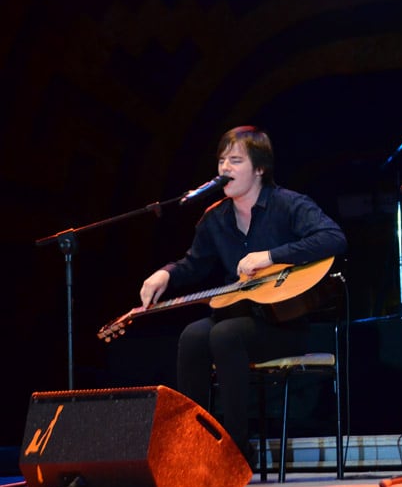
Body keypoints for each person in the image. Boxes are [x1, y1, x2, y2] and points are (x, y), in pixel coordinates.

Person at [139, 125, 347, 468]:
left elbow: (333, 238)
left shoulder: (289, 205)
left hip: (284, 325)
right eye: (222, 161)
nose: (225, 169)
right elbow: (194, 263)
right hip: (237, 316)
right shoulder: (214, 218)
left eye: (235, 161)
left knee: (225, 334)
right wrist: (166, 273)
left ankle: (234, 454)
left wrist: (271, 256)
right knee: (193, 336)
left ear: (260, 168)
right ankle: (195, 448)